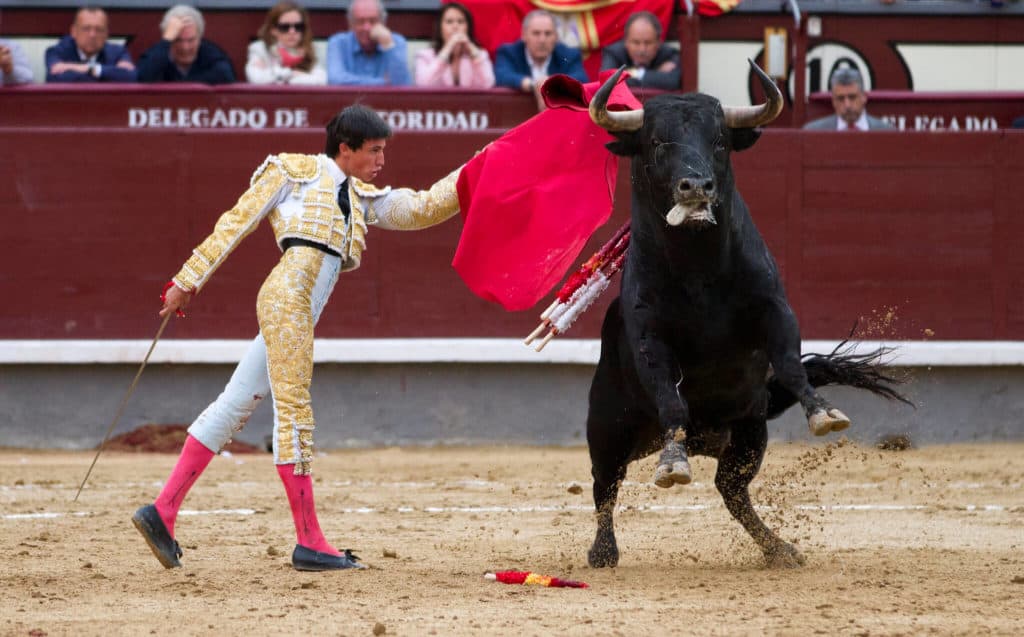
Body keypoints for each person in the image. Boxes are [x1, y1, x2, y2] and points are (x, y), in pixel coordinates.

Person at [131, 104, 463, 572]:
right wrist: (188, 280)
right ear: (345, 148)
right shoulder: (294, 171)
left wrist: (480, 169)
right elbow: (237, 221)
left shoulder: (360, 197)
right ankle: (310, 540)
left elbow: (421, 208)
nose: (381, 160)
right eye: (374, 150)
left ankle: (162, 511)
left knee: (235, 402)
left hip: (297, 307)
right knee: (293, 410)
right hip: (287, 298)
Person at [494, 9, 588, 96]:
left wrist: (551, 84)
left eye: (548, 33)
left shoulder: (569, 55)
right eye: (536, 33)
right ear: (524, 35)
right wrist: (533, 85)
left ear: (556, 37)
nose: (542, 40)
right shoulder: (508, 52)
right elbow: (502, 76)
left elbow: (581, 79)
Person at [137, 5, 235, 84]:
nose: (185, 47)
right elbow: (143, 77)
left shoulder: (211, 53)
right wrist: (166, 40)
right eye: (178, 40)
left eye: (191, 40)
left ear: (200, 38)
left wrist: (181, 85)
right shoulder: (157, 54)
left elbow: (226, 75)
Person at [326, 0, 410, 86]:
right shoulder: (338, 43)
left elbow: (402, 84)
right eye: (360, 22)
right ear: (351, 24)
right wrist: (384, 83)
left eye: (373, 21)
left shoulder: (396, 42)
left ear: (383, 22)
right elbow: (335, 80)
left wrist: (388, 45)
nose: (367, 28)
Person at [45, 6, 137, 83]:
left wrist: (88, 69)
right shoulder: (56, 52)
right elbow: (55, 78)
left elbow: (130, 77)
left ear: (106, 34)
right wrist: (109, 74)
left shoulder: (118, 52)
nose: (92, 35)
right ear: (74, 31)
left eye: (99, 29)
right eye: (86, 28)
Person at [414, 2, 494, 89]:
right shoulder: (424, 56)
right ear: (440, 27)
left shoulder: (479, 55)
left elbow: (488, 84)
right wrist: (447, 48)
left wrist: (471, 49)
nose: (455, 26)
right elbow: (423, 84)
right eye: (449, 22)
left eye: (460, 22)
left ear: (468, 27)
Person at [246, 1, 326, 85]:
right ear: (273, 30)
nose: (292, 32)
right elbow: (256, 78)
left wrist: (283, 78)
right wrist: (290, 73)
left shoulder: (311, 49)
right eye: (285, 27)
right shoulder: (260, 49)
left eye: (298, 27)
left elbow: (322, 80)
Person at [599, 11, 679, 91]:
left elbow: (672, 81)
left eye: (648, 43)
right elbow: (608, 81)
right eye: (636, 42)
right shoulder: (614, 53)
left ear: (658, 42)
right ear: (625, 41)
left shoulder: (669, 55)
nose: (642, 49)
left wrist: (627, 74)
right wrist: (655, 74)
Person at [803, 67, 893, 131]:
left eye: (852, 97)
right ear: (833, 101)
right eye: (840, 98)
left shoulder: (887, 132)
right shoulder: (813, 132)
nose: (847, 105)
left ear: (864, 97)